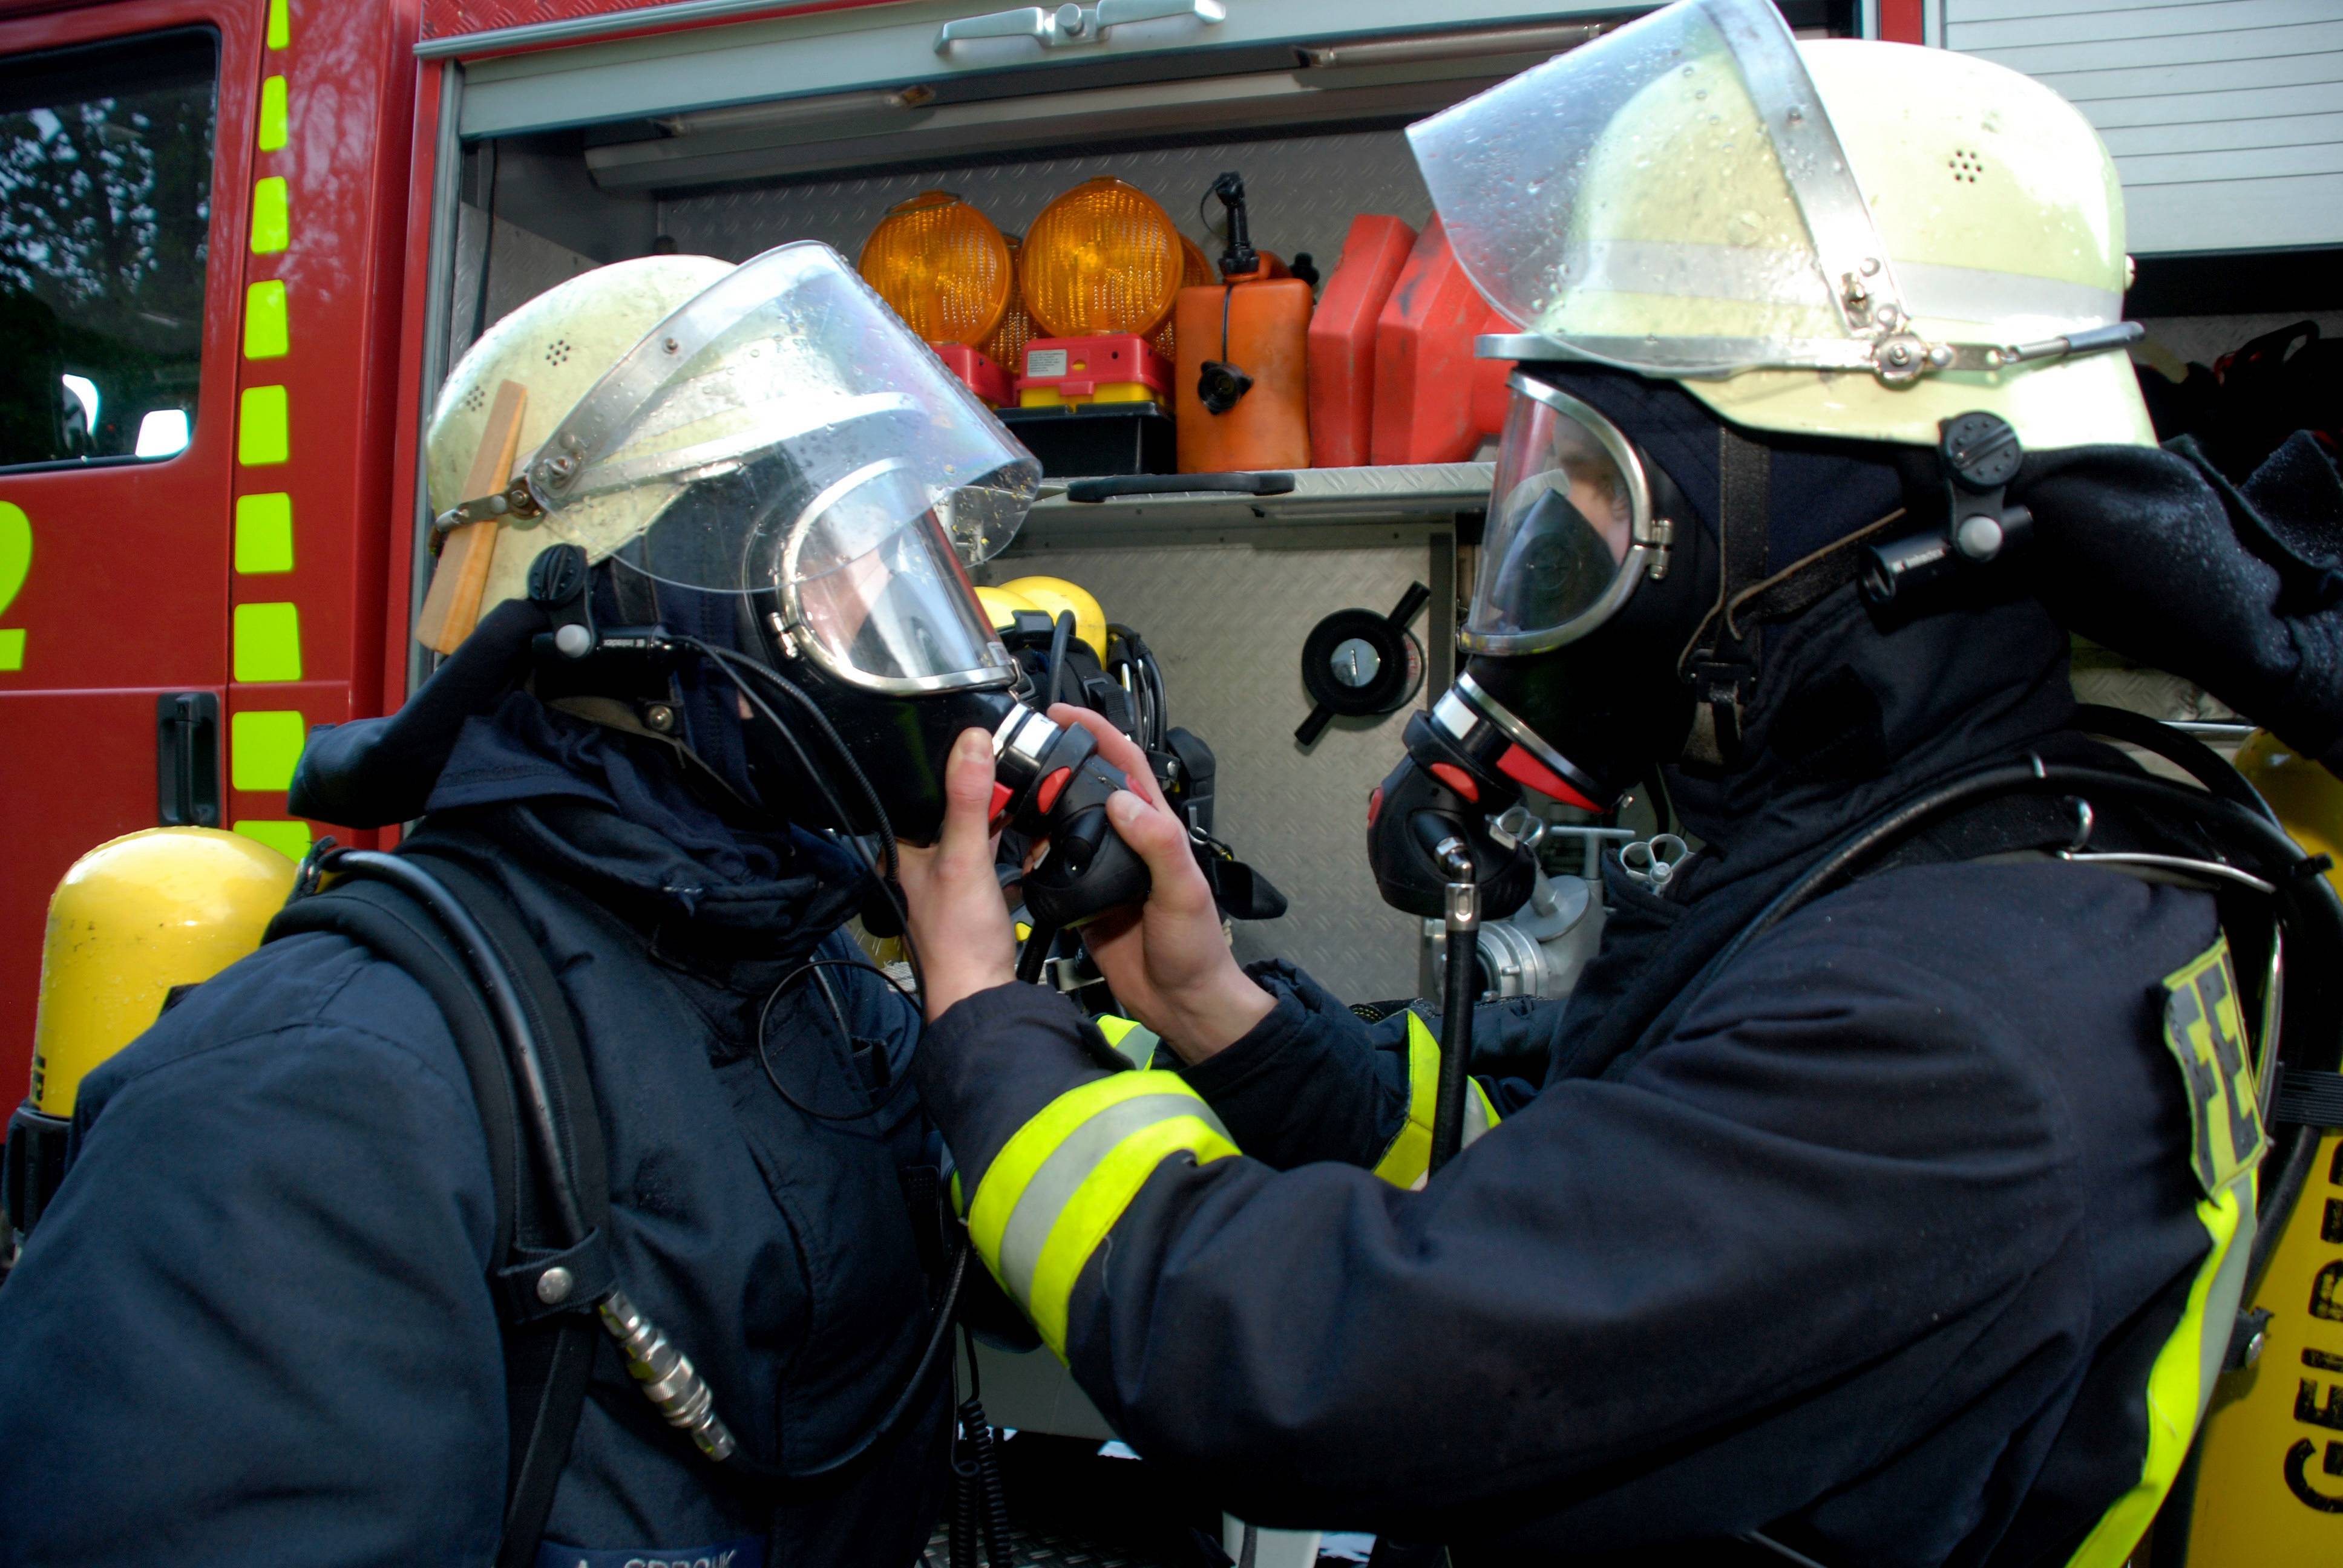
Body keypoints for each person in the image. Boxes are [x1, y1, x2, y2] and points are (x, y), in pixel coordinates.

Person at [890, 4, 2343, 1563]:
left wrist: (987, 1030)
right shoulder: (1949, 846)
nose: (1559, 560)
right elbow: (1576, 1200)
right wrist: (1216, 1017)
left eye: (1596, 493)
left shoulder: (1949, 1033)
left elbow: (1328, 1367)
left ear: (1798, 514)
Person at [0, 253, 1004, 1566]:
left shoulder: (816, 984)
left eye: (901, 564)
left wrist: (1010, 1030)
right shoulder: (308, 1097)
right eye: (832, 565)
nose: (897, 628)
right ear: (624, 606)